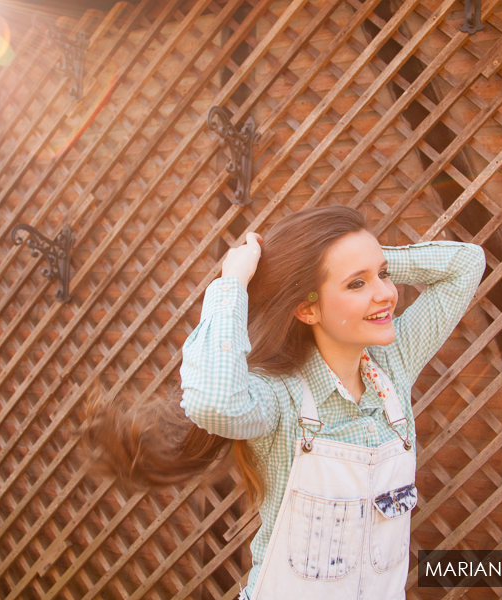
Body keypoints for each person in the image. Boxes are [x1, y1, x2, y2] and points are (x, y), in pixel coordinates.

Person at [178, 205, 485, 599]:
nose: (387, 294)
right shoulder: (281, 397)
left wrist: (366, 259)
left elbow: (466, 263)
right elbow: (215, 404)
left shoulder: (394, 366)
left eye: (384, 276)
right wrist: (233, 281)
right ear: (308, 309)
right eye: (356, 285)